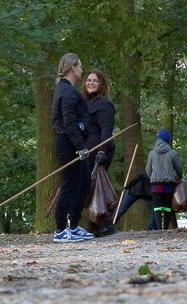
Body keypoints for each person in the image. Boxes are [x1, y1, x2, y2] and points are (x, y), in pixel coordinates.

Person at [51, 53, 95, 242]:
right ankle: (61, 229)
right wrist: (79, 145)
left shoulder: (65, 89)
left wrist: (81, 128)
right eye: (80, 66)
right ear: (72, 67)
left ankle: (74, 225)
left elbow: (68, 122)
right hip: (69, 145)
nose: (82, 70)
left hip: (73, 143)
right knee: (70, 185)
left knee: (84, 182)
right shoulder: (66, 91)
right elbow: (68, 122)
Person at [81, 69, 117, 237]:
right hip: (88, 150)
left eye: (95, 80)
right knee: (91, 187)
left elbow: (106, 130)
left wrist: (102, 150)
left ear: (101, 84)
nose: (91, 83)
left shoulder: (103, 104)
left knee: (96, 186)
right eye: (88, 80)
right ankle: (95, 224)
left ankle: (105, 224)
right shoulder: (86, 103)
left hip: (99, 150)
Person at [146, 129, 183, 229]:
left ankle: (158, 229)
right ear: (168, 140)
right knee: (167, 206)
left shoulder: (152, 153)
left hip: (155, 185)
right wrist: (179, 177)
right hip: (168, 184)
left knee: (157, 206)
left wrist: (152, 178)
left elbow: (148, 169)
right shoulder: (172, 153)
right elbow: (179, 168)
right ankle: (166, 227)